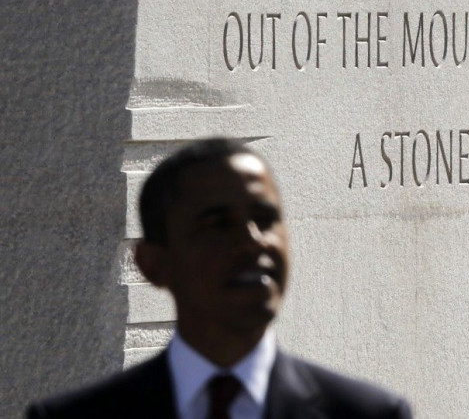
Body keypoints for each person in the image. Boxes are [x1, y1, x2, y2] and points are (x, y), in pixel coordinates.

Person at [27, 138, 412, 419]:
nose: (251, 242)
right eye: (217, 225)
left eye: (265, 219)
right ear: (152, 263)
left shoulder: (370, 415)